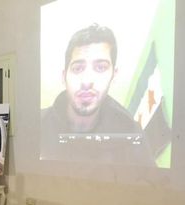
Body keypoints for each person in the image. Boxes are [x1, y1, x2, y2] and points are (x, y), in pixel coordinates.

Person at [41, 24, 154, 165]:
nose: (87, 81)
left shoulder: (133, 134)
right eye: (77, 68)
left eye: (100, 67)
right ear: (64, 77)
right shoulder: (37, 124)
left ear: (114, 75)